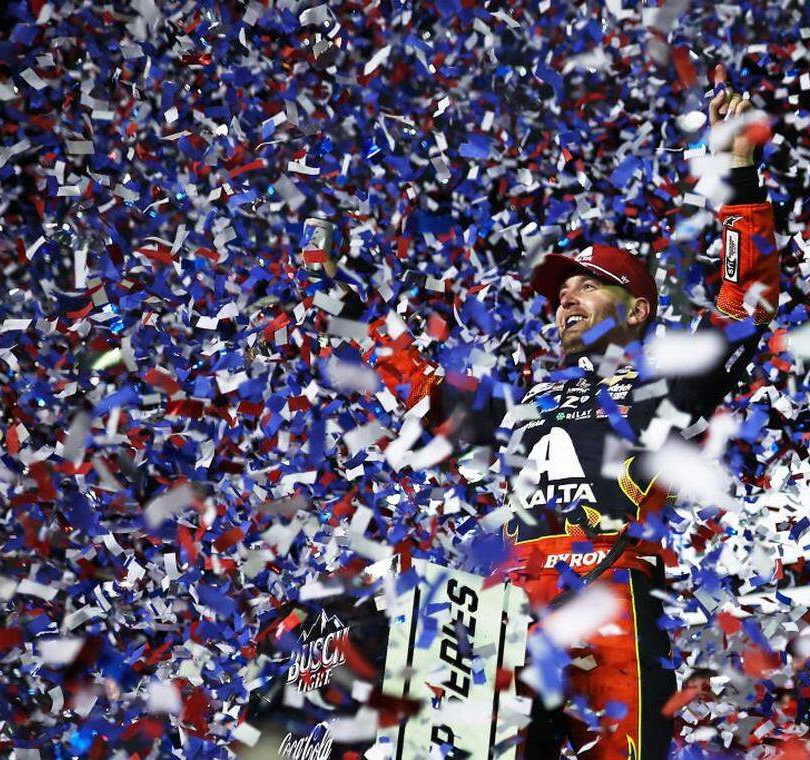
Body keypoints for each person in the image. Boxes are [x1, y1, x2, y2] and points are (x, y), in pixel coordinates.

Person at [317, 69, 781, 759]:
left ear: (638, 310)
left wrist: (738, 178)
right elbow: (423, 392)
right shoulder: (525, 404)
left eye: (588, 286)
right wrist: (346, 306)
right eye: (561, 291)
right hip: (503, 612)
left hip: (613, 599)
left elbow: (747, 300)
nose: (566, 298)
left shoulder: (668, 386)